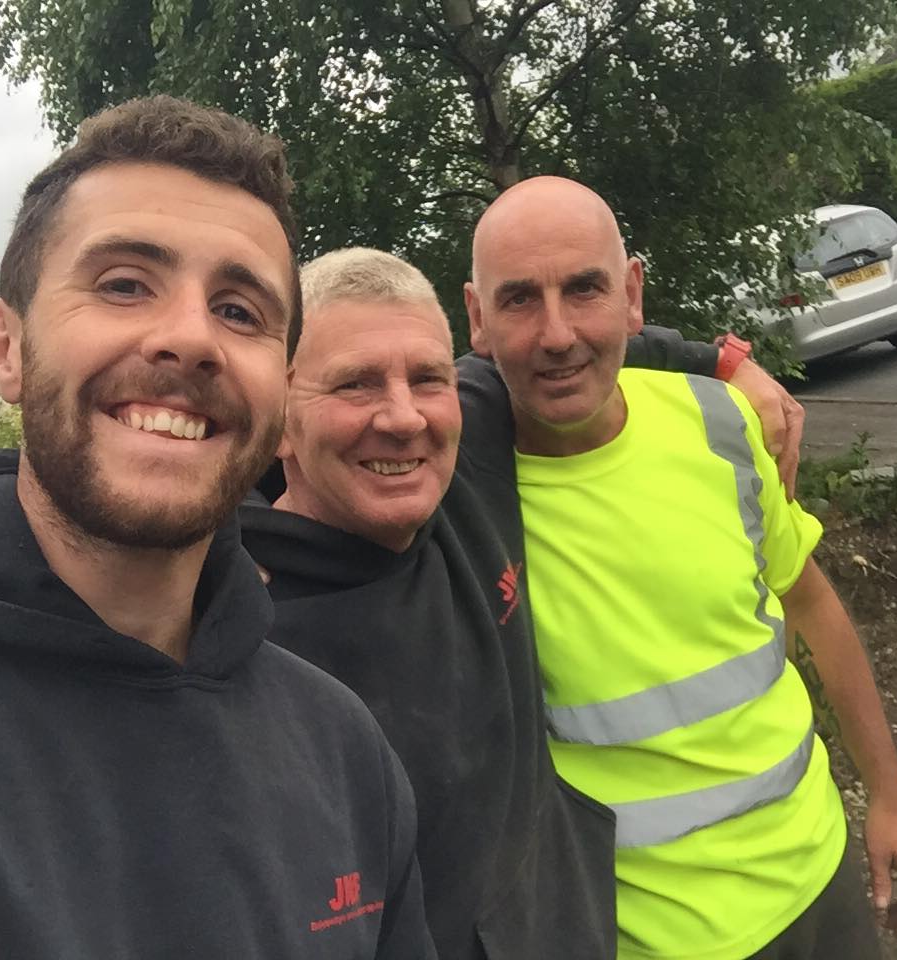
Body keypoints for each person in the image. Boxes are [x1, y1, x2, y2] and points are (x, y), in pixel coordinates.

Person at [0, 97, 434, 960]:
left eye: (241, 311)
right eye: (124, 284)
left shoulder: (343, 753)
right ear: (4, 348)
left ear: (281, 389)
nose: (190, 338)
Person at [241, 247, 806, 958]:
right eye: (354, 385)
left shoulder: (468, 467)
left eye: (426, 377)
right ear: (279, 419)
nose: (404, 416)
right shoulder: (236, 628)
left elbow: (563, 347)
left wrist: (724, 361)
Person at [461, 176, 897, 960]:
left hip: (822, 881)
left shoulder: (718, 419)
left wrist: (891, 798)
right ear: (477, 318)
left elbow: (812, 606)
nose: (556, 333)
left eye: (585, 289)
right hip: (653, 939)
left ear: (632, 294)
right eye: (519, 300)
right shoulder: (459, 493)